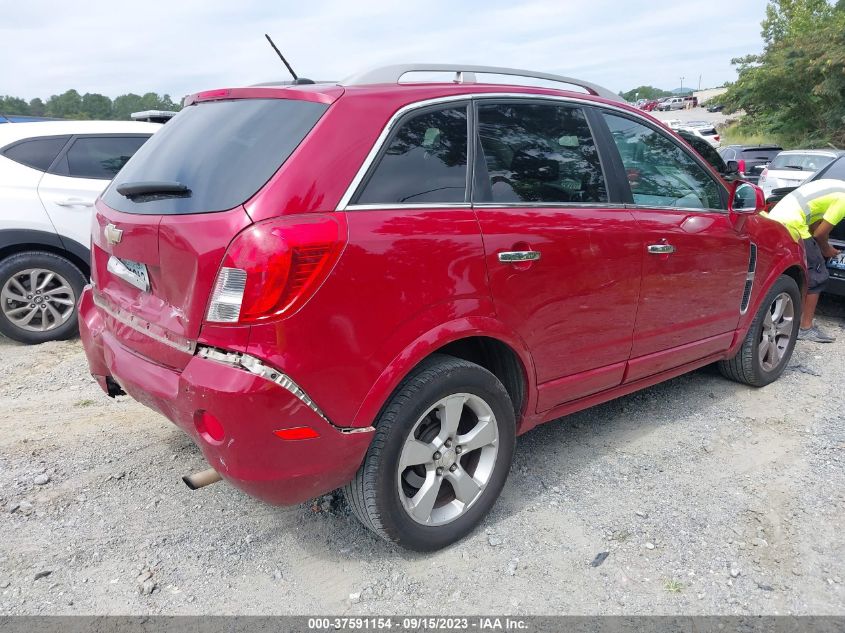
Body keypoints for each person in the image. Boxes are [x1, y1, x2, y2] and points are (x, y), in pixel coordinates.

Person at [766, 179, 845, 343]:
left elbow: (816, 224)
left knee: (796, 271)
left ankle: (790, 317)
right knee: (818, 275)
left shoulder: (837, 187)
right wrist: (826, 249)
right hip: (792, 223)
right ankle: (805, 328)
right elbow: (820, 234)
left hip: (776, 218)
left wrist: (819, 246)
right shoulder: (843, 200)